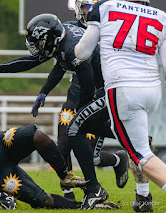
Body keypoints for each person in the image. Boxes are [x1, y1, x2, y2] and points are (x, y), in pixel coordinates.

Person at [0, 13, 127, 208]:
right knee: (75, 131)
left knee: (76, 129)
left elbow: (87, 87)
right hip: (100, 85)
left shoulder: (72, 50)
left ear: (51, 37)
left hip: (107, 86)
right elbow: (48, 63)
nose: (38, 48)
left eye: (39, 43)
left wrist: (80, 111)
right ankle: (122, 149)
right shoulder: (62, 36)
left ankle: (97, 186)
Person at [74, 0, 166, 205]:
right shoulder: (161, 15)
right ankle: (143, 197)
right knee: (139, 145)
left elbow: (82, 52)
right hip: (152, 90)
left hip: (123, 89)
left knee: (141, 153)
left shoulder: (105, 7)